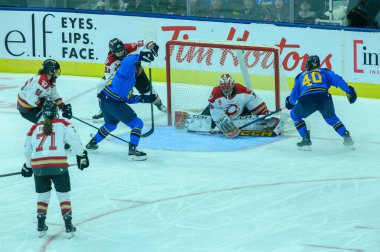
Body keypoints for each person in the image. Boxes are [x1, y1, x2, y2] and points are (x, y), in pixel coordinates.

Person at [21, 100, 89, 239]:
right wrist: (81, 155)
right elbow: (75, 141)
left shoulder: (34, 128)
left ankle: (41, 226)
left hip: (39, 167)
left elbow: (28, 150)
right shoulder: (63, 124)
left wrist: (27, 166)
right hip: (58, 166)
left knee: (43, 196)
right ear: (56, 112)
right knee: (63, 196)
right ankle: (69, 226)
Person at [86, 51, 156, 161]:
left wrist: (146, 98)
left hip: (105, 102)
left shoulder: (129, 78)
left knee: (110, 125)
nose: (142, 71)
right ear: (136, 66)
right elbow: (128, 59)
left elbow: (127, 98)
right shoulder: (126, 69)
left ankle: (92, 143)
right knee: (137, 124)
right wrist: (141, 55)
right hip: (113, 103)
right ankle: (132, 152)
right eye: (141, 68)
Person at [175, 74, 287, 138]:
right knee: (206, 120)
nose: (225, 89)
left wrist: (264, 112)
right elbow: (215, 112)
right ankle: (191, 121)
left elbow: (254, 101)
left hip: (240, 111)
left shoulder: (242, 90)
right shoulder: (215, 93)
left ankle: (266, 124)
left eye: (228, 87)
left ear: (232, 84)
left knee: (255, 116)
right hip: (220, 113)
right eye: (223, 87)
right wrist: (226, 127)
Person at [285, 55, 357, 151]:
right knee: (332, 119)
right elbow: (338, 79)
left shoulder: (300, 76)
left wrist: (290, 103)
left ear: (307, 64)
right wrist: (348, 90)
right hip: (324, 97)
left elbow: (294, 95)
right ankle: (346, 136)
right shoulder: (324, 71)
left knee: (294, 115)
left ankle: (306, 139)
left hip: (307, 99)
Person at [92, 38, 167, 122]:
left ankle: (160, 105)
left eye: (121, 50)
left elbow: (145, 43)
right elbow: (109, 79)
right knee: (101, 85)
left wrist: (152, 46)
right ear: (113, 52)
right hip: (121, 80)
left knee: (149, 92)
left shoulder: (130, 47)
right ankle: (103, 109)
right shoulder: (110, 61)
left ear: (124, 47)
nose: (121, 53)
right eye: (118, 52)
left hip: (137, 74)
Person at [17, 59, 73, 149]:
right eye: (56, 71)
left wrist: (62, 106)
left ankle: (58, 140)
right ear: (50, 71)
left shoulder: (50, 80)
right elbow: (31, 99)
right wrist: (44, 104)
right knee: (47, 121)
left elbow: (54, 95)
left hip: (33, 104)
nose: (58, 73)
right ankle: (31, 145)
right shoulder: (41, 81)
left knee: (52, 114)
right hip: (26, 108)